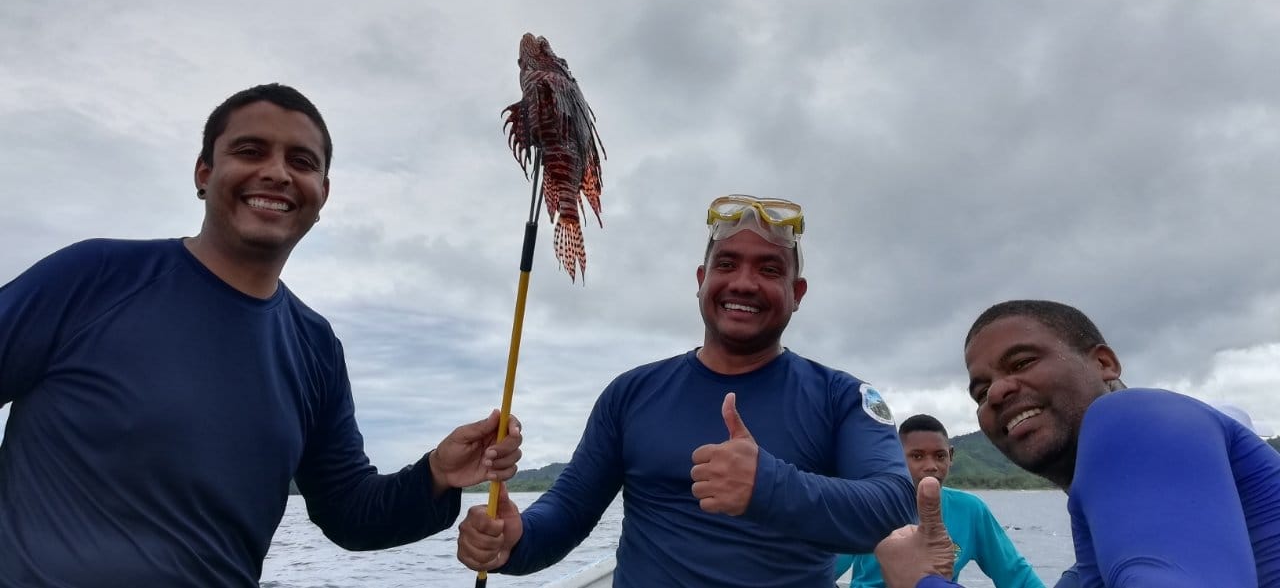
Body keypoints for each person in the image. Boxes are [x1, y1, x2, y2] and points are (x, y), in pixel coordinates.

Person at [0, 83, 523, 587]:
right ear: (205, 172)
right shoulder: (94, 277)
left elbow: (348, 511)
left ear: (323, 192)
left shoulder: (314, 346)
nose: (276, 173)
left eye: (302, 162)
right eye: (250, 151)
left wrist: (435, 473)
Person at [455, 194, 917, 586]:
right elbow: (569, 509)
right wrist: (515, 538)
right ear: (701, 281)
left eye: (769, 269)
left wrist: (770, 487)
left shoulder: (843, 398)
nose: (743, 282)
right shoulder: (631, 393)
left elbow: (894, 509)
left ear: (798, 292)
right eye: (727, 263)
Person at [874, 299, 1280, 587]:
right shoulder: (1096, 551)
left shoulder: (1132, 416)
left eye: (1022, 363)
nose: (995, 392)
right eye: (980, 392)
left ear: (1104, 363)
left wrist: (921, 584)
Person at [836, 414, 1043, 587]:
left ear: (951, 456)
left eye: (940, 456)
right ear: (896, 458)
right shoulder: (870, 507)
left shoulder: (971, 511)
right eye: (917, 456)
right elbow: (822, 568)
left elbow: (1015, 574)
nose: (931, 466)